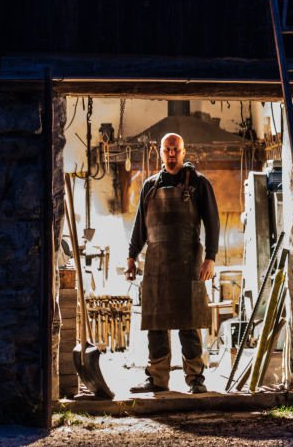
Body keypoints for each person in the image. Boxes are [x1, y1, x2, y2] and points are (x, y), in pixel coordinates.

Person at [126, 132, 219, 394]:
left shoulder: (199, 184)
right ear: (160, 152)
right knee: (156, 325)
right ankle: (157, 379)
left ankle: (195, 378)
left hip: (189, 263)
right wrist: (131, 256)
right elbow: (140, 226)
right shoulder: (149, 186)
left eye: (176, 149)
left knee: (189, 323)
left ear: (183, 151)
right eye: (167, 149)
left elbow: (212, 222)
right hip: (156, 264)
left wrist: (211, 257)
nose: (171, 153)